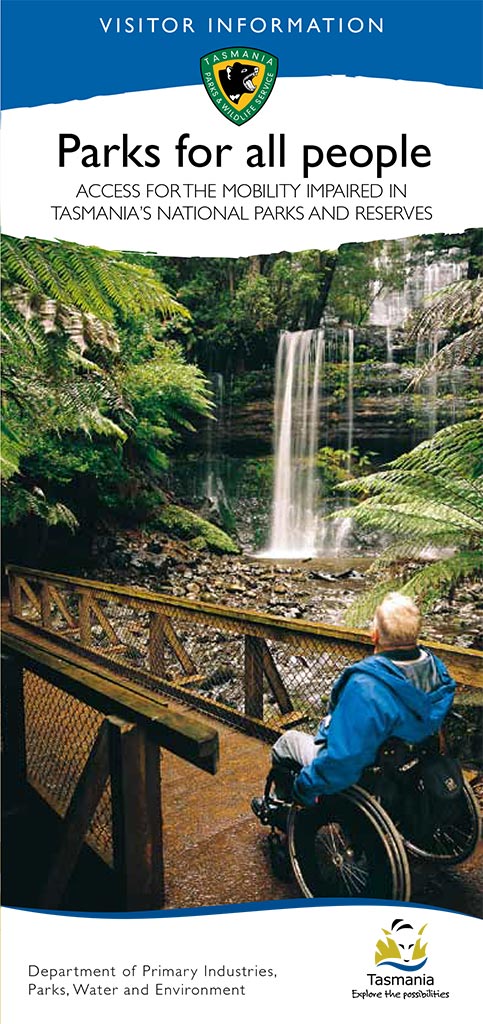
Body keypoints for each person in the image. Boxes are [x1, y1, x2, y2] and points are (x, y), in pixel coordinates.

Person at [251, 592, 456, 817]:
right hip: (406, 757)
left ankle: (282, 807)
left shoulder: (366, 687)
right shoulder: (436, 668)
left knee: (286, 742)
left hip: (368, 770)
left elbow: (342, 761)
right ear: (416, 634)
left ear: (374, 635)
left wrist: (306, 787)